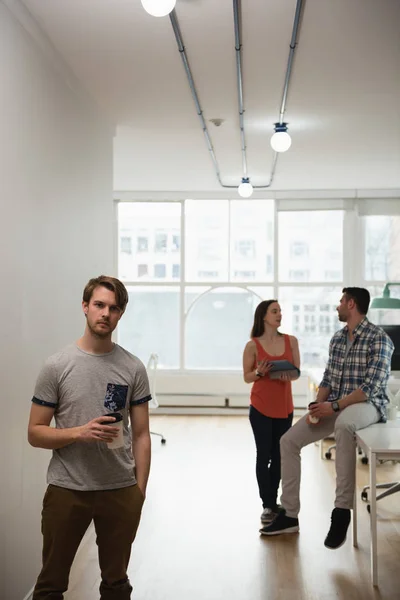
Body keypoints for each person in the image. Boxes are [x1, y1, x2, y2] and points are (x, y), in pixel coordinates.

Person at [28, 275, 151, 599]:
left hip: (120, 490)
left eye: (113, 308)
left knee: (116, 584)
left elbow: (140, 434)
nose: (105, 313)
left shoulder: (132, 367)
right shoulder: (57, 366)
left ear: (120, 314)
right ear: (85, 307)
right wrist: (79, 432)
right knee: (50, 585)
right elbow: (35, 433)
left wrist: (139, 491)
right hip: (68, 489)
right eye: (99, 305)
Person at [260, 287, 394, 549]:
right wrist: (319, 404)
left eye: (341, 301)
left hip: (368, 405)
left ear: (351, 304)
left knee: (344, 424)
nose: (337, 306)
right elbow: (329, 378)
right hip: (337, 404)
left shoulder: (379, 339)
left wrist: (333, 407)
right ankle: (289, 515)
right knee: (288, 441)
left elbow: (370, 388)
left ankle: (341, 511)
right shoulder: (338, 339)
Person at [243, 299, 300, 526]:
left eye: (280, 311)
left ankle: (274, 500)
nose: (279, 315)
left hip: (285, 408)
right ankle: (268, 504)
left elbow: (296, 371)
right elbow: (247, 377)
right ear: (264, 316)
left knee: (279, 457)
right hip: (260, 408)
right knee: (263, 454)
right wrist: (259, 372)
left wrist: (290, 375)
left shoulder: (291, 341)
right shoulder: (252, 346)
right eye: (274, 311)